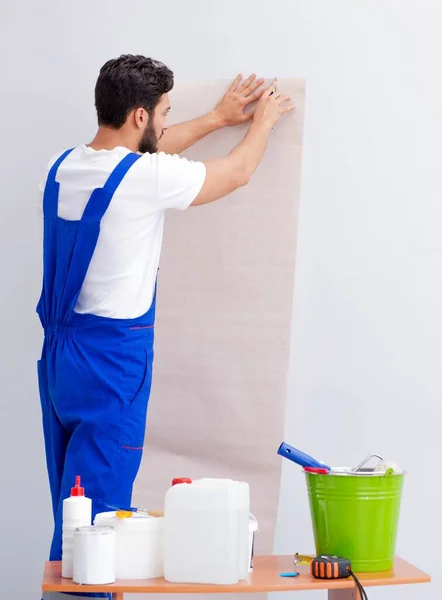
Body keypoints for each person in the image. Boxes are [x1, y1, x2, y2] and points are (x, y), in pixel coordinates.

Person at [37, 54, 293, 598]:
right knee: (99, 523)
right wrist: (262, 123)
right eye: (165, 113)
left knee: (73, 510)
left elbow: (146, 161)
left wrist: (219, 118)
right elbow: (238, 173)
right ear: (138, 116)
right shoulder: (144, 178)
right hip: (112, 368)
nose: (168, 124)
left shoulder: (65, 167)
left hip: (62, 363)